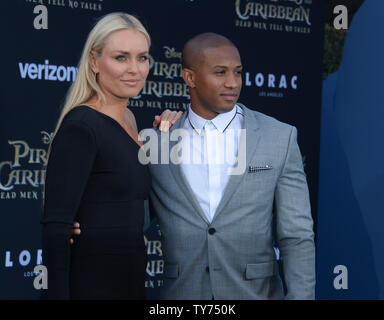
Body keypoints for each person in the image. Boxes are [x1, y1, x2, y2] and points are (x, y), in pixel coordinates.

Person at [145, 32, 316, 299]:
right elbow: (128, 217)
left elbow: (297, 236)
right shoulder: (157, 142)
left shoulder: (279, 137)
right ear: (189, 78)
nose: (232, 83)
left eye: (237, 72)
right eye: (220, 72)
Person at [41, 12, 181, 300]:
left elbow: (133, 202)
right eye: (121, 57)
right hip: (91, 284)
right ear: (94, 61)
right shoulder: (82, 126)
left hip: (129, 281)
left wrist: (163, 137)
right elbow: (56, 229)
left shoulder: (129, 120)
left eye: (142, 57)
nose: (135, 69)